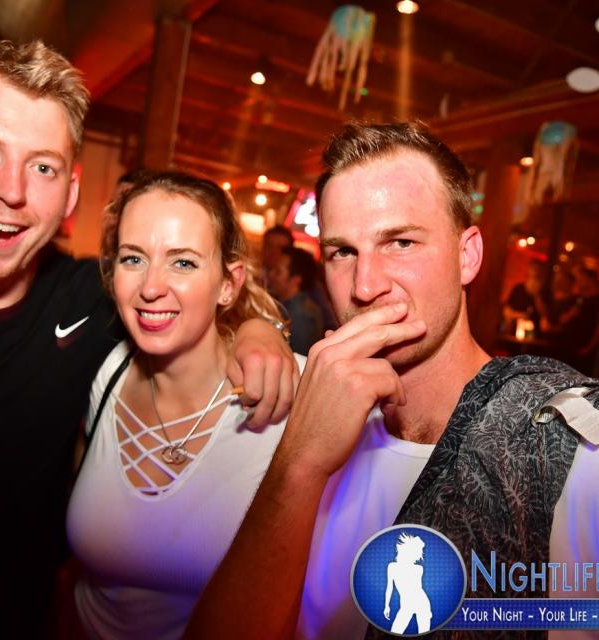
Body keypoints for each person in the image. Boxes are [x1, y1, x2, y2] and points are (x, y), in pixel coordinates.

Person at [187, 123, 599, 640]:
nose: (365, 286)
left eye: (400, 242)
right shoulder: (297, 403)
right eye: (342, 252)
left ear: (467, 255)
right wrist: (300, 461)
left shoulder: (569, 447)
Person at [0, 39, 297, 639]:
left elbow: (182, 302)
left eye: (42, 167)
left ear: (70, 195)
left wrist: (259, 330)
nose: (11, 190)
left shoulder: (92, 303)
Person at [67, 171, 306, 639]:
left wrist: (264, 328)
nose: (151, 286)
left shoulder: (287, 395)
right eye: (134, 258)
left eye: (183, 262)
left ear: (228, 284)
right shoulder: (105, 372)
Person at [267, 246, 324, 354]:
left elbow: (298, 357)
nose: (271, 274)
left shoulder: (300, 315)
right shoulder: (287, 306)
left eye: (278, 271)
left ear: (295, 280)